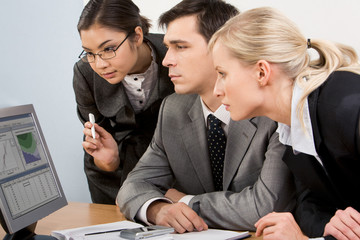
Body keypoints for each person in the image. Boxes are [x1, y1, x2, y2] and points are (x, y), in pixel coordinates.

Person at [117, 0, 296, 234]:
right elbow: (132, 186)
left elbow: (265, 207)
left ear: (221, 47)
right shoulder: (173, 109)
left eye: (180, 47)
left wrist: (185, 202)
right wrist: (158, 209)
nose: (166, 60)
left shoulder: (272, 109)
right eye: (168, 47)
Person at [209, 6, 360, 240]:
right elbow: (311, 207)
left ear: (261, 72)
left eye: (222, 74)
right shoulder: (291, 127)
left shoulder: (348, 108)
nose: (216, 90)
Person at [73, 0, 174, 204]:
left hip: (172, 171)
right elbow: (99, 143)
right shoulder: (84, 73)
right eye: (90, 53)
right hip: (112, 176)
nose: (100, 64)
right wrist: (108, 162)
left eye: (109, 48)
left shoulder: (174, 52)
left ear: (137, 36)